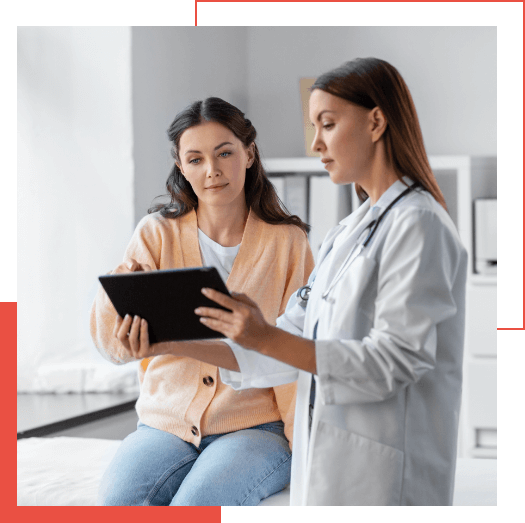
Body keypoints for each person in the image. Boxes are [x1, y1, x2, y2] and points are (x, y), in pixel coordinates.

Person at [124, 58, 468, 506]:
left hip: (387, 471)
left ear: (376, 121)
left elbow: (395, 362)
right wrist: (186, 341)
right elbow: (287, 341)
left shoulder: (418, 224)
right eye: (313, 127)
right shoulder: (348, 231)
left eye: (327, 124)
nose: (316, 143)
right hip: (331, 461)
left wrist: (264, 335)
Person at [90, 96, 315, 506]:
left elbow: (295, 354)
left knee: (195, 506)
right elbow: (109, 343)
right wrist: (123, 310)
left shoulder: (288, 243)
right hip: (166, 424)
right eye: (195, 159)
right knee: (116, 504)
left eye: (224, 153)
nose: (211, 171)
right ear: (181, 167)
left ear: (249, 154)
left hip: (254, 428)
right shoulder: (156, 233)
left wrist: (306, 447)